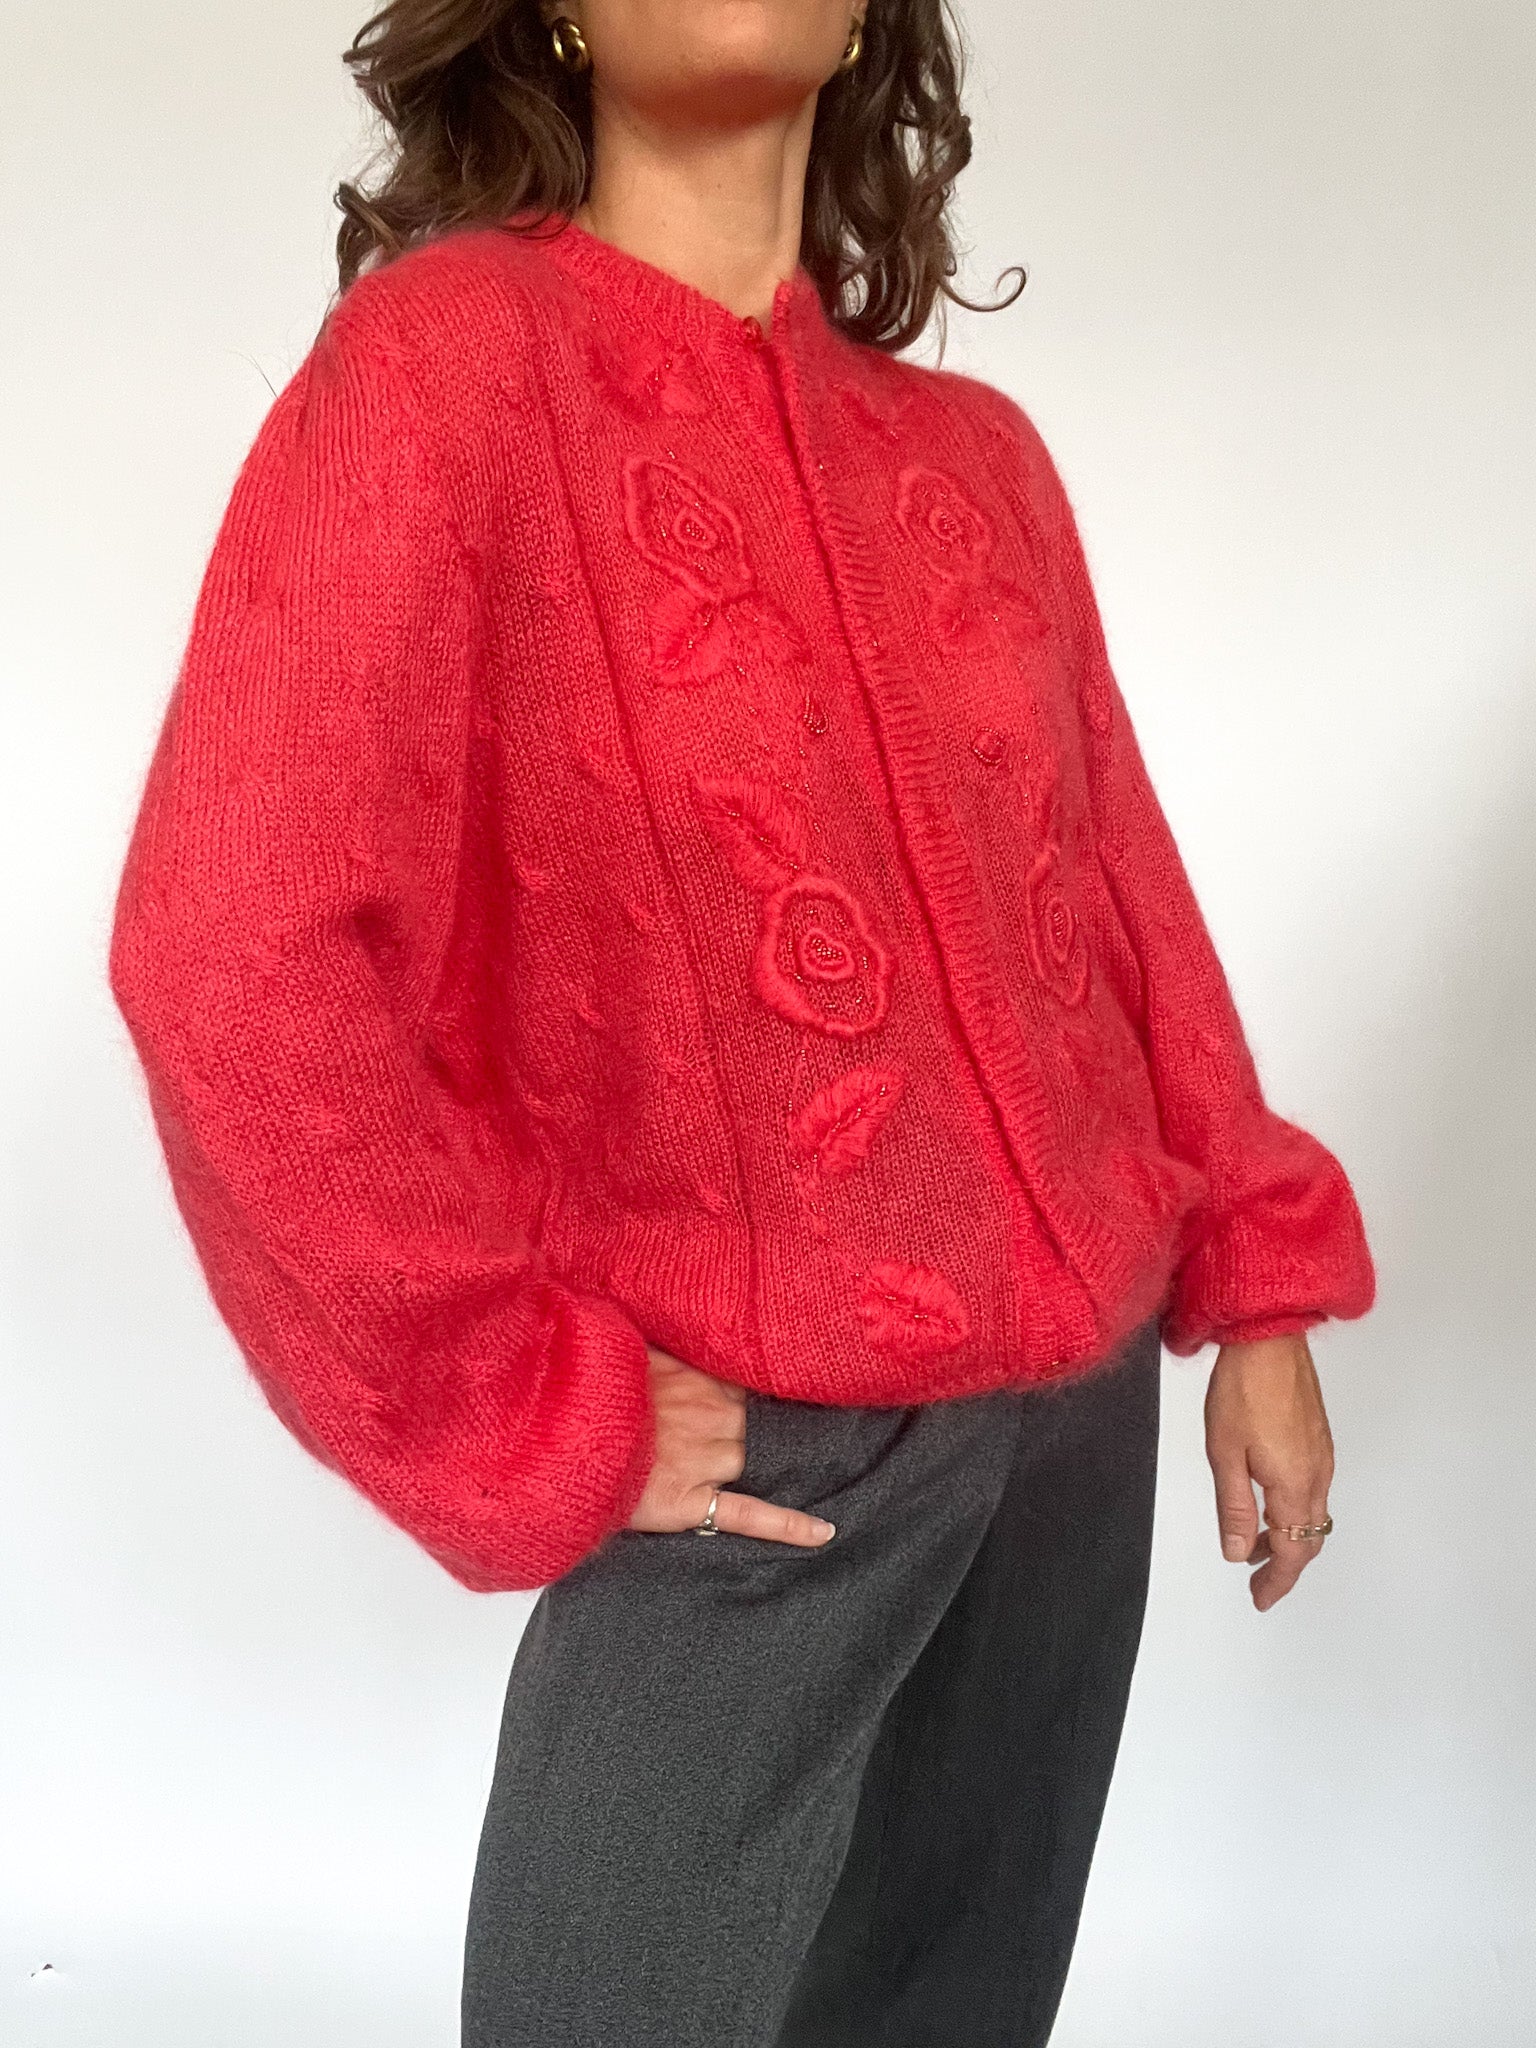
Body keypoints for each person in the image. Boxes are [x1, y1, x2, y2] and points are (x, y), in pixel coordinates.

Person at [107, 1, 1375, 2042]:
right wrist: (521, 1401)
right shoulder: (445, 371)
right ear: (556, 13)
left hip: (1072, 1443)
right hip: (763, 1458)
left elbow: (1118, 892)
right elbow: (231, 951)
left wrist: (1260, 1288)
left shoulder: (981, 462)